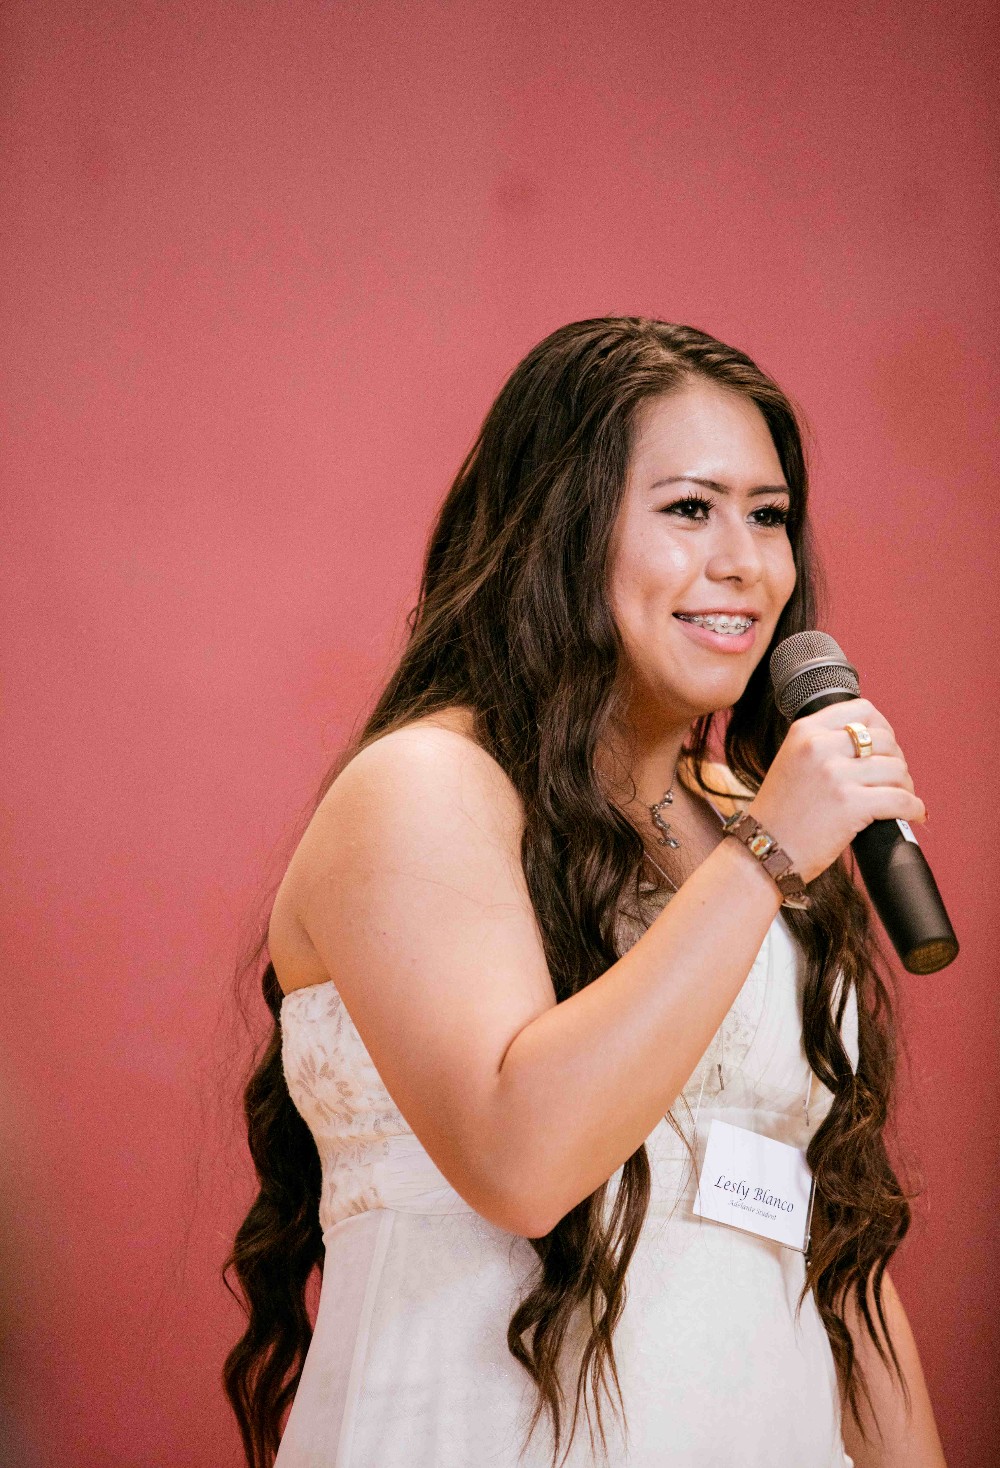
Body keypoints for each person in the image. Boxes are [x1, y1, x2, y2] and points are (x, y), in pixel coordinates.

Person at [222, 317, 947, 1468]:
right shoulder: (424, 788)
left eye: (768, 515)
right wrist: (764, 857)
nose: (746, 563)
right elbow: (522, 1162)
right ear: (558, 527)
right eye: (689, 508)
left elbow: (837, 1264)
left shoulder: (756, 817)